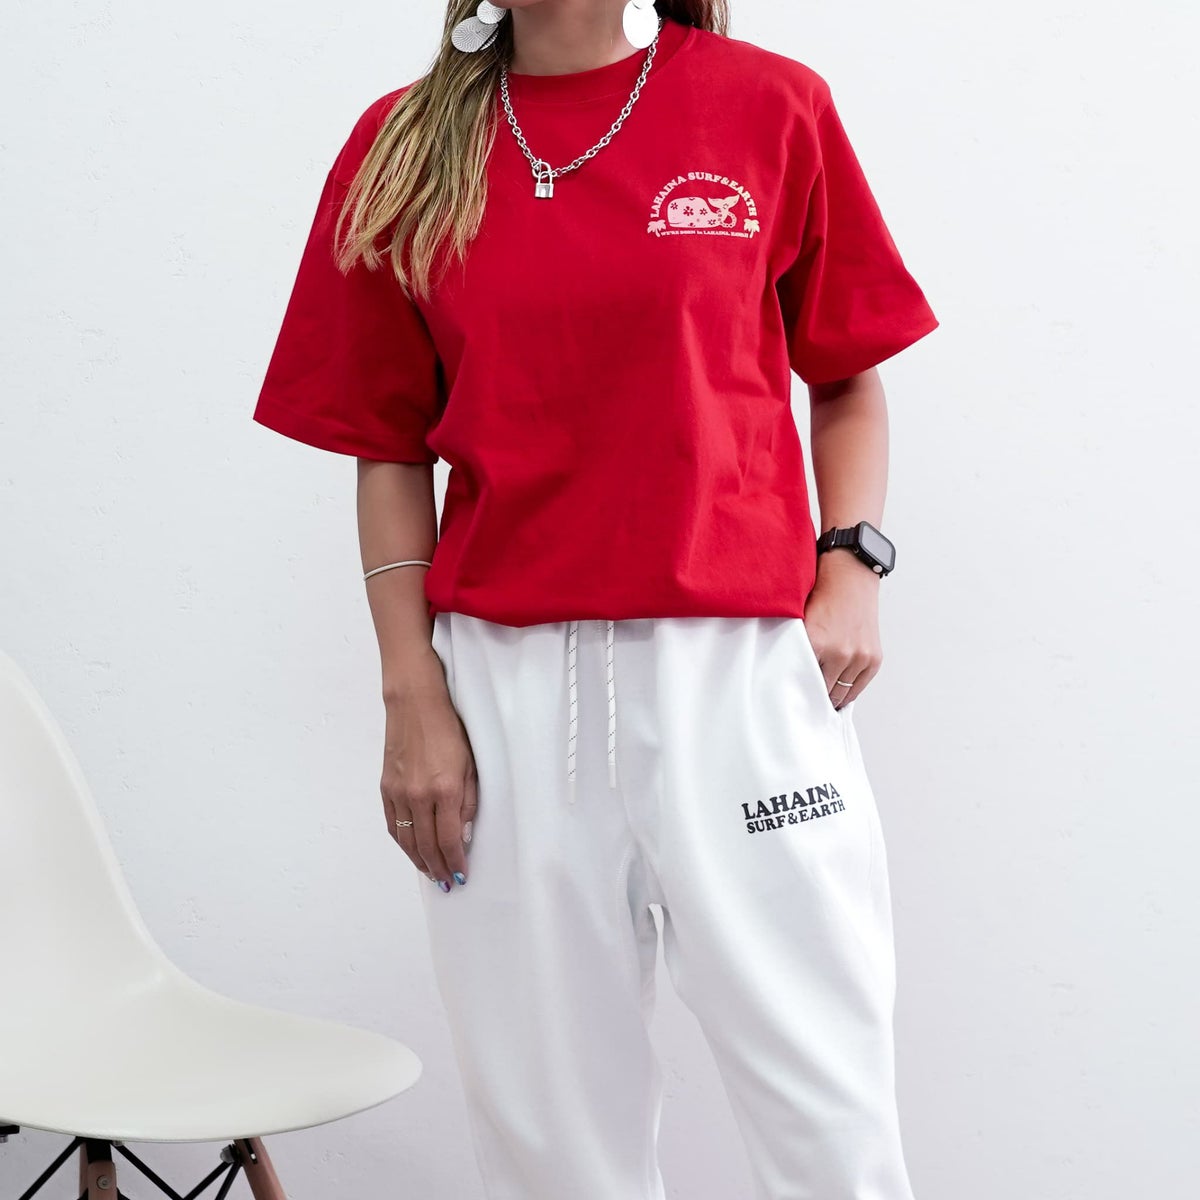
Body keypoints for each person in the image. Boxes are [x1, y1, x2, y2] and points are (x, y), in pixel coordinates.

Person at [252, 1, 939, 1196]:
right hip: (504, 699)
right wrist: (412, 694)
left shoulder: (770, 105)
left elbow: (845, 375)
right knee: (551, 1142)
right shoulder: (403, 144)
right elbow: (387, 450)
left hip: (741, 678)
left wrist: (852, 565)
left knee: (828, 1115)